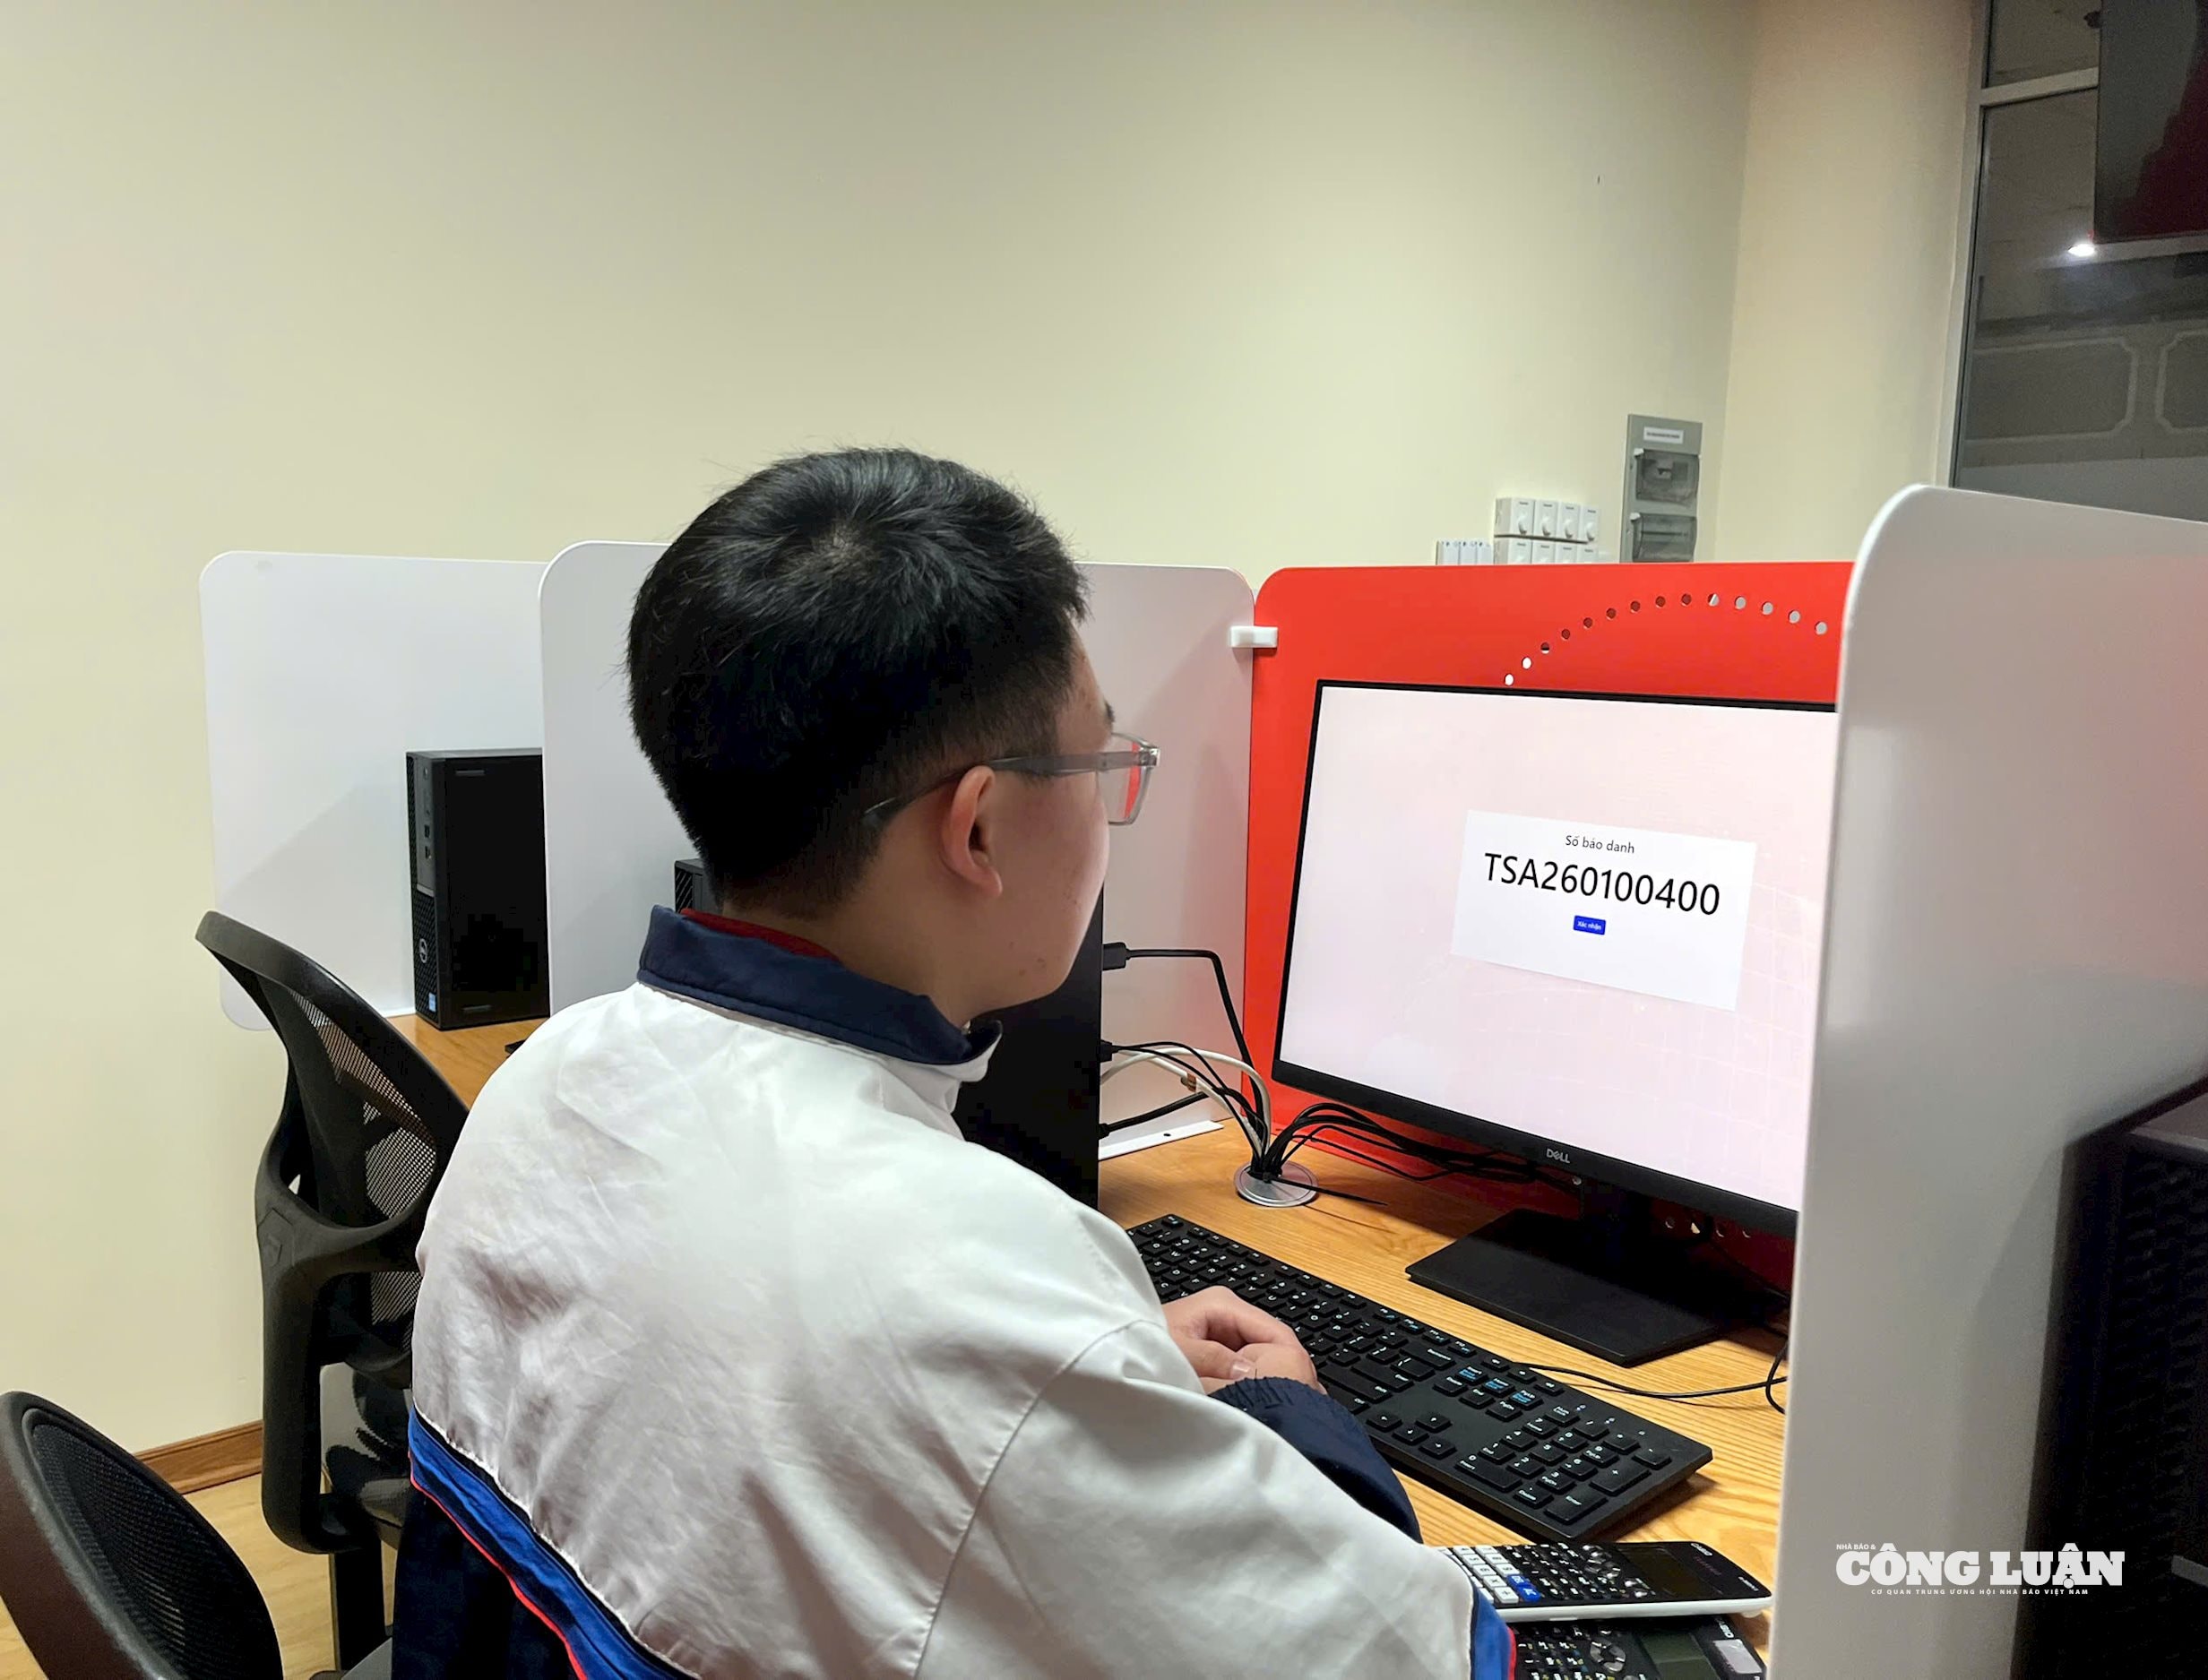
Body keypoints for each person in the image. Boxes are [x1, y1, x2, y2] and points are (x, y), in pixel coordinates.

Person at [392, 448, 1513, 1677]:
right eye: (1101, 765)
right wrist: (1282, 1407)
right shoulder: (968, 1279)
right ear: (977, 827)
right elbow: (1406, 1653)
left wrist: (1091, 1376)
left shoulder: (546, 1080)